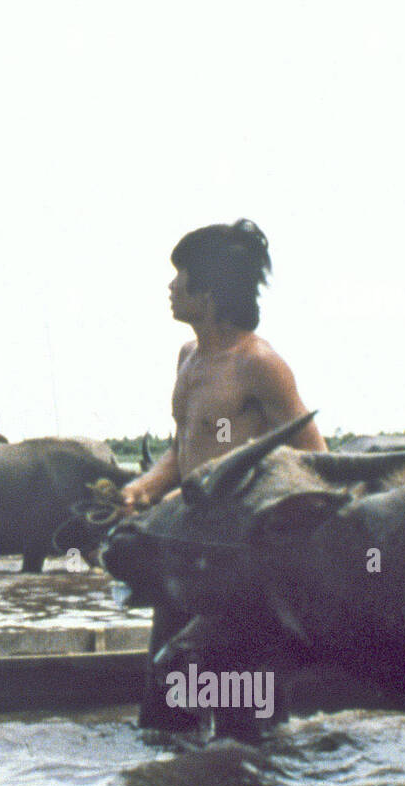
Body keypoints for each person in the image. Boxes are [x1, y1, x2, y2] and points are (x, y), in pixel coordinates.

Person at [118, 219, 326, 729]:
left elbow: (314, 459)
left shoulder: (260, 365)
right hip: (184, 553)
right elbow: (184, 447)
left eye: (180, 275)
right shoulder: (189, 358)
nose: (171, 287)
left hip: (237, 565)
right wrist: (148, 485)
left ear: (207, 290)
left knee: (240, 719)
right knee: (164, 708)